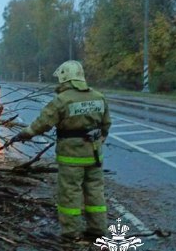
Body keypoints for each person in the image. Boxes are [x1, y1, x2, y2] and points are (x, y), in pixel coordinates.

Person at [13, 60, 111, 241]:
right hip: (94, 155)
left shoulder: (62, 100)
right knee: (95, 192)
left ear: (65, 77)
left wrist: (25, 134)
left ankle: (71, 233)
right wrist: (99, 140)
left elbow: (42, 123)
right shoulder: (98, 96)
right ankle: (97, 230)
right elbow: (106, 125)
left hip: (71, 157)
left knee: (70, 194)